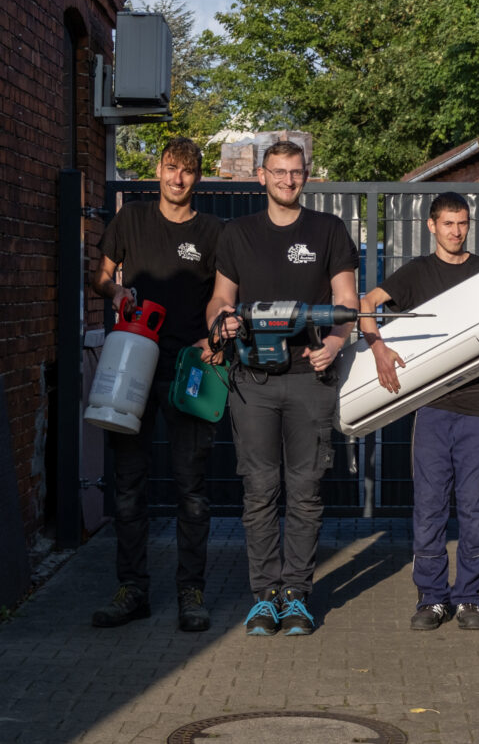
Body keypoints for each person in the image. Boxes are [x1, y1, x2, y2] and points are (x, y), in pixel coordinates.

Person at [206, 141, 359, 636]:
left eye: (296, 173)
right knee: (259, 490)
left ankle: (296, 594)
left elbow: (347, 303)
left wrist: (334, 345)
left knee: (306, 489)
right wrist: (222, 324)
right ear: (260, 175)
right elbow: (219, 300)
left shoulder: (328, 230)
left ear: (306, 176)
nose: (287, 181)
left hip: (308, 381)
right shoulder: (237, 234)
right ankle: (263, 597)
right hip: (251, 383)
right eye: (278, 172)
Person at [91, 137, 223, 632]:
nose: (177, 178)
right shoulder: (131, 220)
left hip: (189, 369)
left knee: (192, 490)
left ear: (198, 178)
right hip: (132, 366)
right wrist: (115, 288)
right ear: (158, 169)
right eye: (171, 168)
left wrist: (217, 336)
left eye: (188, 171)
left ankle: (192, 592)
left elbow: (226, 295)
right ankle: (133, 590)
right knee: (129, 485)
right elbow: (99, 275)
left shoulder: (213, 232)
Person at [359, 192, 479, 631]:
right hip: (431, 407)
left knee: (475, 507)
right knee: (430, 506)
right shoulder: (416, 273)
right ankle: (432, 598)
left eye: (463, 223)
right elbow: (365, 304)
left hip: (478, 407)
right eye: (448, 223)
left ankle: (470, 598)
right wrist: (377, 346)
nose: (456, 231)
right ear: (431, 226)